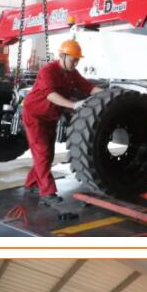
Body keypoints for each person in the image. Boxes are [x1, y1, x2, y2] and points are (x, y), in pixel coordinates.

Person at [20, 39, 100, 204]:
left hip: (51, 117)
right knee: (42, 152)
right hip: (35, 116)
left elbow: (88, 87)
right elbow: (50, 95)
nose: (75, 64)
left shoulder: (72, 73)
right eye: (73, 60)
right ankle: (47, 193)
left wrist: (108, 93)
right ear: (62, 56)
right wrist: (73, 105)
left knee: (47, 155)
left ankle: (31, 183)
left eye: (77, 61)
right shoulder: (47, 71)